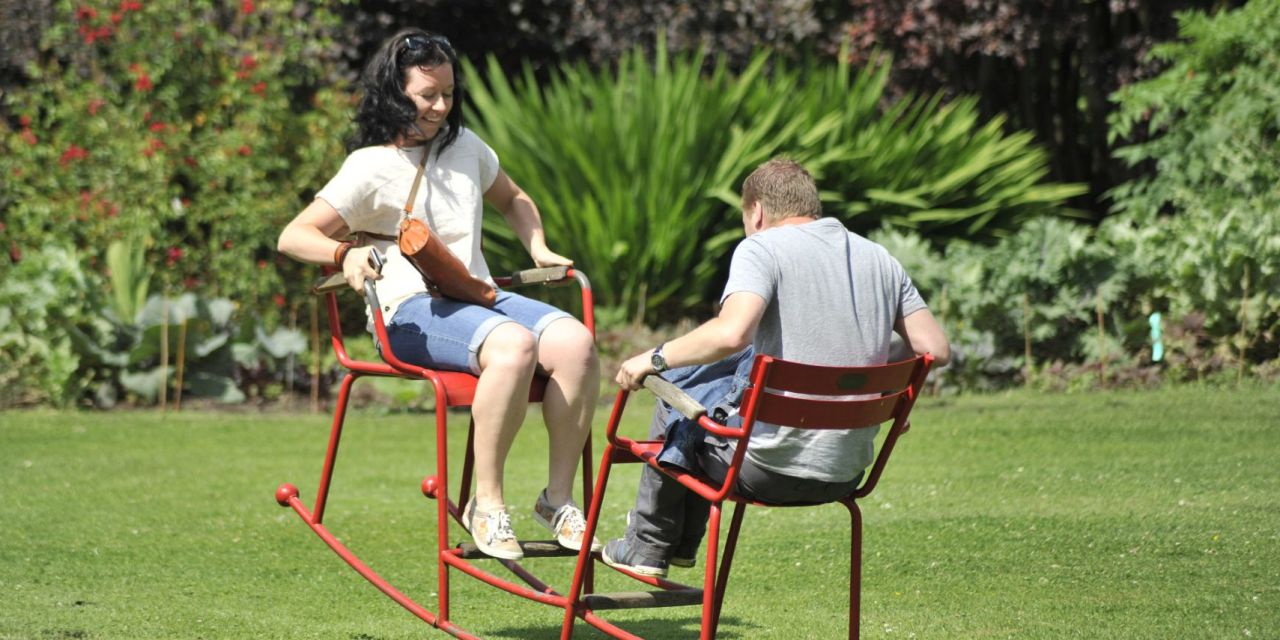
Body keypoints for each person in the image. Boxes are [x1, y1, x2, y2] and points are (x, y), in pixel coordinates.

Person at [277, 28, 600, 561]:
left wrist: (538, 246)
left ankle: (557, 499)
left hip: (476, 296)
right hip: (406, 313)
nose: (441, 106)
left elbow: (514, 198)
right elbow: (293, 236)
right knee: (514, 345)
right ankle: (486, 504)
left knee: (577, 344)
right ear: (394, 92)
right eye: (427, 94)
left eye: (448, 93)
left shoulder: (466, 146)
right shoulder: (370, 165)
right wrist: (344, 254)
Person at [602, 158, 951, 577]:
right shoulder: (879, 258)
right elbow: (935, 348)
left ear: (756, 212)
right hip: (846, 471)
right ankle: (674, 545)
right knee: (708, 392)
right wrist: (883, 399)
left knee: (672, 392)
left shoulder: (762, 248)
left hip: (764, 469)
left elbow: (732, 333)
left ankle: (648, 546)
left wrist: (653, 358)